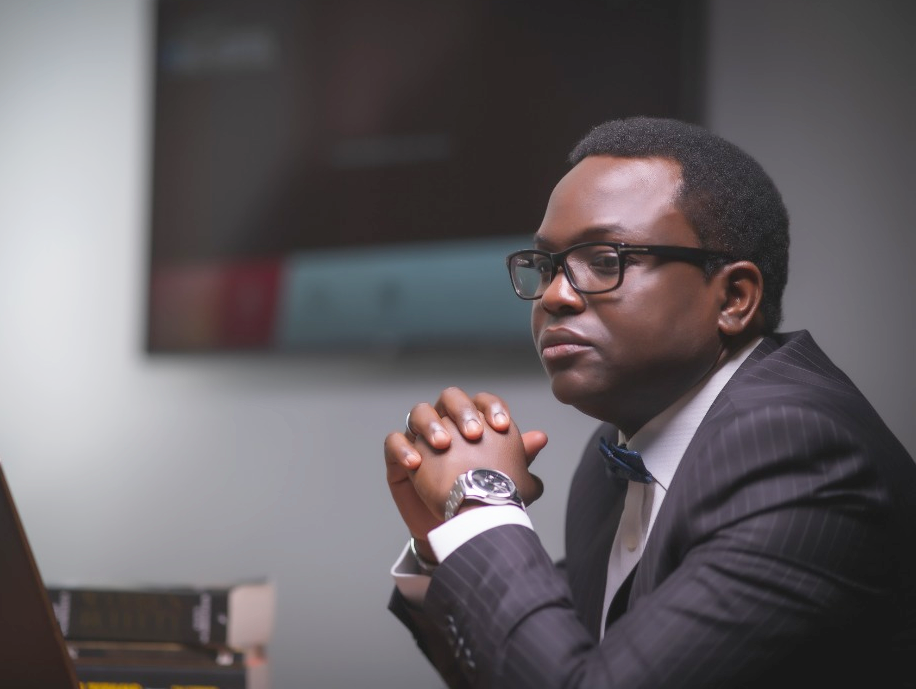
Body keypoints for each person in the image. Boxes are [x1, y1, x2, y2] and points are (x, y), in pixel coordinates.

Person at [382, 116, 916, 688]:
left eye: (604, 260)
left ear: (734, 298)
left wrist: (480, 504)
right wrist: (443, 539)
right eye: (547, 266)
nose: (555, 296)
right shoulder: (612, 454)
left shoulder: (798, 450)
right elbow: (534, 664)